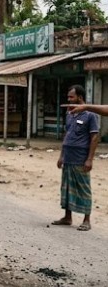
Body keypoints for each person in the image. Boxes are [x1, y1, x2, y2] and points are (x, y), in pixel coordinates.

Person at [52, 85, 99, 231]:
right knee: (67, 188)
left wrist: (90, 159)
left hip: (80, 157)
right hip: (68, 157)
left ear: (80, 97)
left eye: (72, 97)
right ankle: (67, 217)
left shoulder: (91, 115)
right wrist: (61, 156)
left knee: (83, 188)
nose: (69, 100)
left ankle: (86, 220)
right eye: (68, 97)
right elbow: (67, 135)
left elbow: (95, 137)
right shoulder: (70, 114)